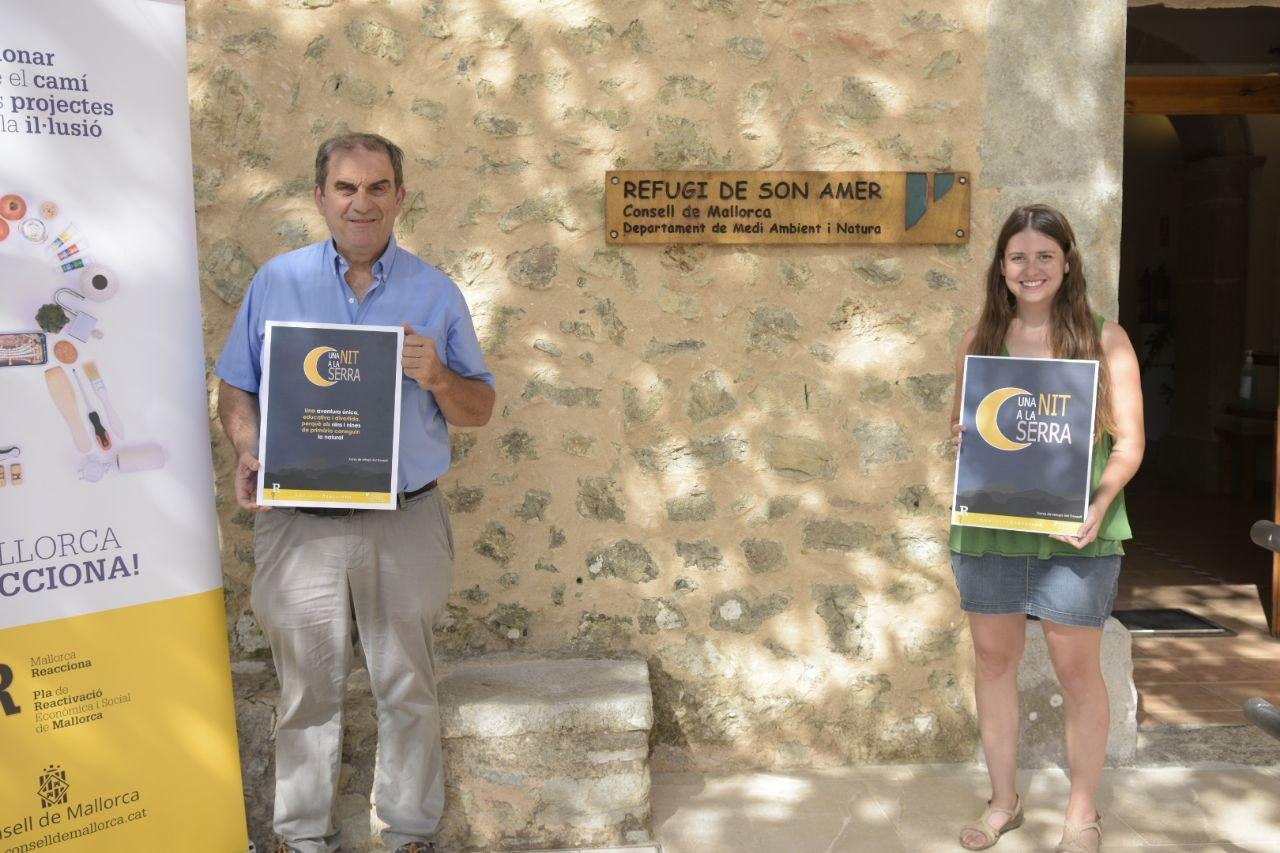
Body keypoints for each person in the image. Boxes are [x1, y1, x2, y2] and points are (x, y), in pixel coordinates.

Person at [216, 132, 495, 853]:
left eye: (377, 187)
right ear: (320, 198)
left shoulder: (435, 294)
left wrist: (437, 376)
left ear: (400, 196)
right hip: (299, 523)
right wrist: (248, 449)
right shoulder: (276, 282)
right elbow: (237, 385)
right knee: (307, 689)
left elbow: (479, 409)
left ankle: (406, 833)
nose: (361, 202)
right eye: (346, 188)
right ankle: (304, 837)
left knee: (407, 686)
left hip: (405, 519)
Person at [949, 205, 1143, 853]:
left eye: (1043, 256)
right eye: (1017, 257)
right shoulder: (980, 339)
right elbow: (963, 432)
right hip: (994, 527)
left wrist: (1100, 501)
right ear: (1001, 267)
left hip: (1076, 532)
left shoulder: (1104, 338)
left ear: (1067, 263)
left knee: (1077, 672)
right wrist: (962, 437)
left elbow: (1130, 444)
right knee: (993, 660)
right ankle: (1003, 800)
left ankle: (1081, 814)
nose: (1030, 269)